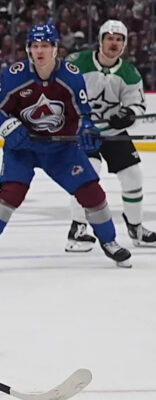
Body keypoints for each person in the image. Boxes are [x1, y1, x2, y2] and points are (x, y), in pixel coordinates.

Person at [0, 22, 131, 272]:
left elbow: (82, 114)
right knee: (11, 193)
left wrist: (87, 131)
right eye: (35, 46)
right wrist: (11, 130)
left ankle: (109, 241)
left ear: (56, 49)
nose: (40, 51)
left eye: (45, 45)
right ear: (28, 50)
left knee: (92, 192)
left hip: (61, 151)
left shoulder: (71, 76)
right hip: (22, 149)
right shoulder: (15, 75)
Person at [64, 20, 155, 251]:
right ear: (101, 40)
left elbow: (137, 104)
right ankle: (77, 230)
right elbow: (61, 91)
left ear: (124, 44)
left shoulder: (129, 73)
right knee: (88, 175)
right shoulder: (78, 63)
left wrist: (127, 115)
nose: (114, 43)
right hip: (83, 132)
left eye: (119, 39)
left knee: (133, 175)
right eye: (110, 38)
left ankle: (136, 228)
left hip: (113, 132)